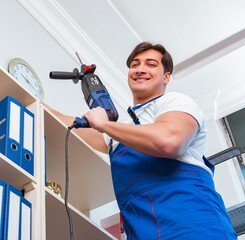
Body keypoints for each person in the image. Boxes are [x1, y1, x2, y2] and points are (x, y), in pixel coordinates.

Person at [48, 42, 237, 239]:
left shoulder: (174, 102)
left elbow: (169, 141)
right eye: (135, 64)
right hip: (145, 232)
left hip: (193, 226)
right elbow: (63, 122)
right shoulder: (117, 136)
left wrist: (104, 125)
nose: (140, 69)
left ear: (166, 77)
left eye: (151, 64)